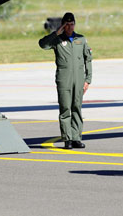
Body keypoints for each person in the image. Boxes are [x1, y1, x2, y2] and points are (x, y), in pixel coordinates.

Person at [39, 12, 92, 149]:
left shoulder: (81, 39)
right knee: (65, 109)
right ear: (63, 25)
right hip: (64, 80)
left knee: (77, 108)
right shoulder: (57, 40)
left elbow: (88, 60)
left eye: (72, 24)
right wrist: (56, 33)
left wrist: (88, 80)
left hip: (79, 80)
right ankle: (67, 139)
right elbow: (43, 45)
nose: (70, 27)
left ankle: (76, 138)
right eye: (67, 24)